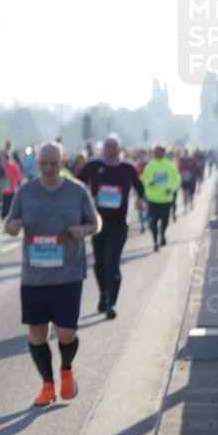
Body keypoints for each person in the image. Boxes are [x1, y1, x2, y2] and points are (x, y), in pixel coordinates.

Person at [5, 142, 100, 407]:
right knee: (37, 334)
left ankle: (67, 369)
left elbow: (95, 222)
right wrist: (13, 226)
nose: (48, 169)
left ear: (63, 162)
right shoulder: (26, 192)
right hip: (34, 275)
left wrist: (83, 230)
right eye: (44, 164)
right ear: (37, 163)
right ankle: (47, 385)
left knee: (66, 333)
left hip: (68, 272)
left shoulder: (76, 191)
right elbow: (10, 223)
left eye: (53, 164)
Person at [76, 135, 144, 319]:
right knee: (99, 264)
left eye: (114, 147)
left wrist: (141, 200)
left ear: (120, 149)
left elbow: (140, 187)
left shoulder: (128, 168)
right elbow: (76, 183)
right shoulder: (93, 166)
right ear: (102, 149)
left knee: (113, 261)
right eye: (107, 147)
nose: (110, 151)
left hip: (119, 223)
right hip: (97, 223)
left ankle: (111, 303)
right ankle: (103, 294)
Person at [141, 144, 181, 251]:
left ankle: (162, 233)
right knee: (152, 223)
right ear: (154, 153)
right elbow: (144, 180)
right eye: (156, 151)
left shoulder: (170, 166)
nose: (158, 153)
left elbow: (177, 180)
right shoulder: (150, 166)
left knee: (165, 222)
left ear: (164, 153)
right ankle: (155, 242)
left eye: (161, 151)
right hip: (152, 199)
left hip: (166, 199)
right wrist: (150, 182)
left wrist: (171, 188)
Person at [0, 151, 22, 219]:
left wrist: (10, 179)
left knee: (10, 207)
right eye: (2, 159)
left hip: (11, 191)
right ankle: (3, 221)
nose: (3, 161)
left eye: (4, 159)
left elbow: (18, 177)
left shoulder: (13, 166)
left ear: (8, 159)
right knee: (3, 208)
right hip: (3, 191)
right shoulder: (0, 167)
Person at [178, 148, 199, 213]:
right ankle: (185, 207)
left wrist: (191, 172)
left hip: (191, 179)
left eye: (186, 153)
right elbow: (178, 168)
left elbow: (196, 167)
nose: (185, 154)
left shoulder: (192, 160)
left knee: (191, 193)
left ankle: (191, 202)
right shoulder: (180, 160)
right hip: (183, 179)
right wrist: (181, 173)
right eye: (184, 153)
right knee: (184, 193)